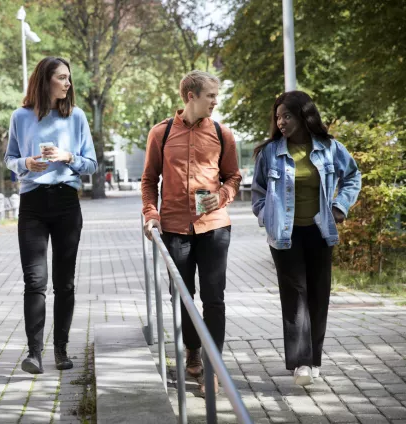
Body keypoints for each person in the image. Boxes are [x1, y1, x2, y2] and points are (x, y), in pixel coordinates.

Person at [141, 70, 242, 396]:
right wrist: (151, 214)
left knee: (214, 299)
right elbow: (148, 180)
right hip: (174, 228)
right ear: (191, 96)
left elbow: (233, 177)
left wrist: (222, 195)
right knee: (182, 297)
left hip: (214, 226)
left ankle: (212, 368)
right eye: (211, 95)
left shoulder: (223, 134)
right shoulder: (161, 133)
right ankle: (193, 350)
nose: (216, 101)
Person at [251, 91, 361, 386]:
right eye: (277, 117)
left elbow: (352, 176)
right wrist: (266, 217)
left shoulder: (329, 148)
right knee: (295, 295)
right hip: (285, 235)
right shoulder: (270, 152)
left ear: (303, 116)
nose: (281, 122)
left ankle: (314, 360)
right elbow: (258, 192)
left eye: (286, 116)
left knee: (318, 295)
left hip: (320, 230)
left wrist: (340, 206)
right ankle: (301, 363)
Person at [5, 57, 97, 374]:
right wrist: (25, 164)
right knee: (35, 281)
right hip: (32, 203)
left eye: (69, 78)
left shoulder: (77, 117)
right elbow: (10, 159)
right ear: (46, 80)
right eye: (62, 77)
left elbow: (92, 164)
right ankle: (34, 353)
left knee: (64, 283)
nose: (68, 83)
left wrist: (68, 156)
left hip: (66, 201)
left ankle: (60, 349)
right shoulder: (20, 117)